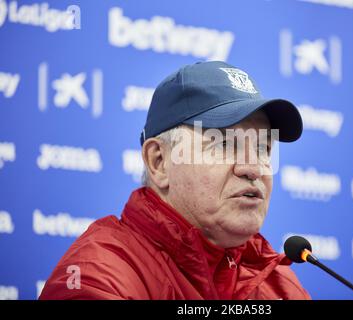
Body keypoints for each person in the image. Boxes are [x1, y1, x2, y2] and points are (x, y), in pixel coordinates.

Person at [39, 61, 311, 300]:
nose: (254, 168)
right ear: (159, 161)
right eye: (225, 143)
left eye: (263, 148)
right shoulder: (96, 278)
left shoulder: (280, 284)